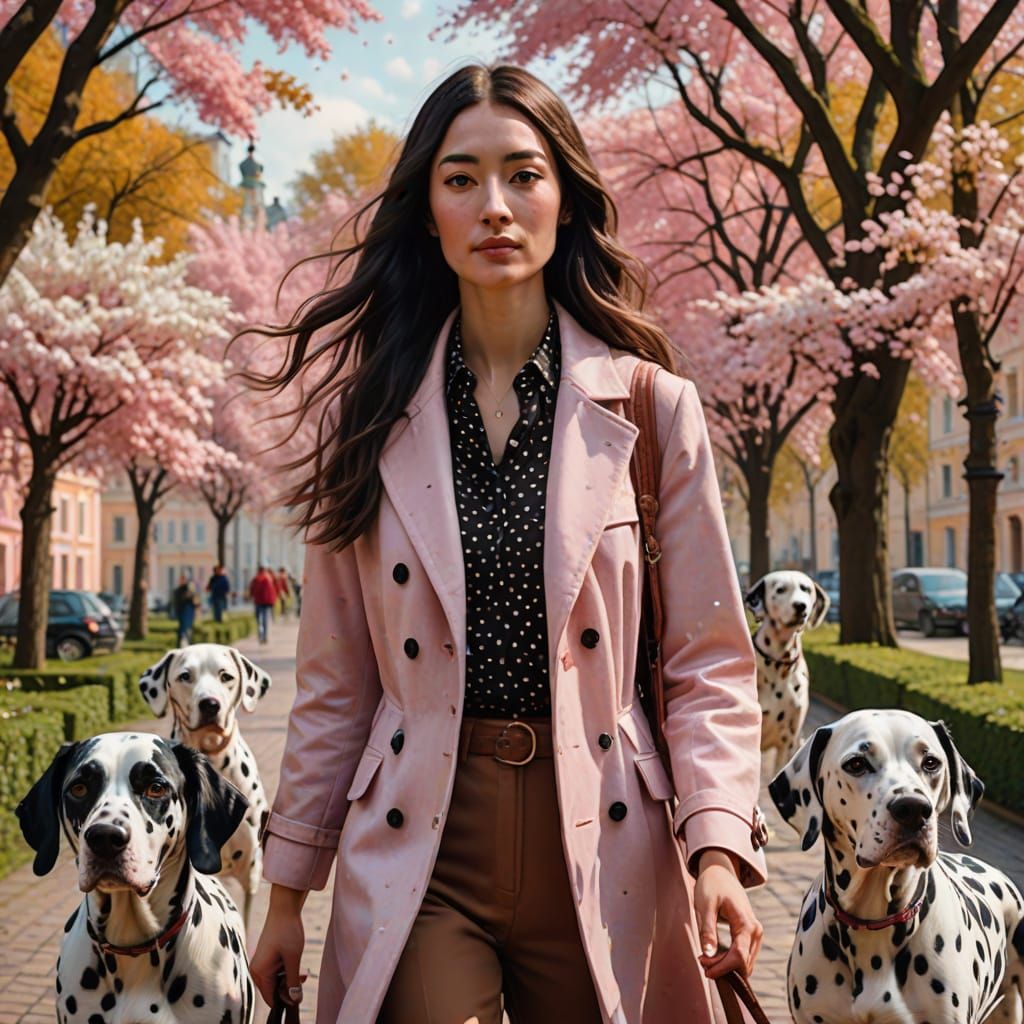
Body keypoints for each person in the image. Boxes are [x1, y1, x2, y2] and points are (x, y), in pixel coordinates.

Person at [250, 64, 766, 1024]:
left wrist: (719, 851)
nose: (494, 205)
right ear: (427, 210)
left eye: (524, 174)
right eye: (461, 178)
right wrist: (285, 896)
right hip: (421, 840)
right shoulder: (369, 420)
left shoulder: (652, 410)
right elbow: (335, 683)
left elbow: (709, 664)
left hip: (606, 835)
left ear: (565, 199)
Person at [249, 565, 278, 645]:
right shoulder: (263, 579)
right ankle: (262, 636)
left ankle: (262, 636)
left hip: (262, 603)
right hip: (262, 602)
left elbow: (253, 589)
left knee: (261, 619)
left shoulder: (263, 579)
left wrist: (251, 595)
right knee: (261, 619)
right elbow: (272, 591)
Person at [171, 573, 200, 647]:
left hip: (188, 613)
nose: (182, 581)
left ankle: (189, 644)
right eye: (181, 579)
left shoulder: (190, 590)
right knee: (182, 630)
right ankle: (180, 645)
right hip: (182, 613)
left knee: (187, 630)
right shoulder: (178, 591)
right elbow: (176, 602)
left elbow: (196, 603)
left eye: (184, 579)